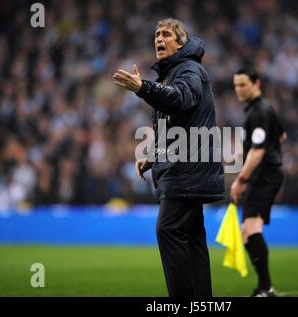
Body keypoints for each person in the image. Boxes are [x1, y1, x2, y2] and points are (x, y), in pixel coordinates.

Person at [113, 18, 225, 297]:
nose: (159, 39)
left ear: (181, 42)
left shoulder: (188, 69)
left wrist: (143, 88)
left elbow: (181, 100)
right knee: (191, 237)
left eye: (166, 34)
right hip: (187, 168)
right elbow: (176, 125)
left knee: (168, 230)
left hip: (187, 171)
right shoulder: (175, 72)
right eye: (156, 34)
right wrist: (152, 155)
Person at [230, 68, 285, 297]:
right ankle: (265, 287)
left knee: (251, 231)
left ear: (256, 83)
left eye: (243, 84)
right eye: (236, 85)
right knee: (248, 232)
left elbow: (258, 151)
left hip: (264, 176)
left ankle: (266, 288)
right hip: (263, 175)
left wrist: (240, 179)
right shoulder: (261, 109)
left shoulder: (259, 111)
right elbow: (282, 135)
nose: (239, 89)